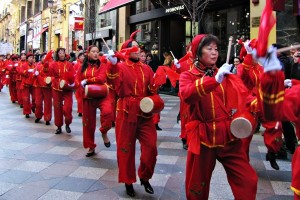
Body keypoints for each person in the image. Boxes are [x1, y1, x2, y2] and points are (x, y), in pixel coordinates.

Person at [179, 34, 258, 200]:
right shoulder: (188, 76)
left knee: (247, 179)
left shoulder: (224, 73)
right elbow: (187, 95)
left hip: (227, 135)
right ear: (198, 52)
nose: (214, 52)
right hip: (203, 137)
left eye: (216, 49)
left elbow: (244, 92)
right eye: (209, 49)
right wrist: (214, 80)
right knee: (197, 186)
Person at [106, 30, 159, 197]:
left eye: (139, 47)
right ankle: (128, 180)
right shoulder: (121, 67)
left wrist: (158, 82)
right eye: (135, 47)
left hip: (144, 113)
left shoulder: (147, 69)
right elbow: (113, 83)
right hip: (126, 111)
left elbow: (152, 90)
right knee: (125, 149)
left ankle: (144, 176)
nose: (139, 49)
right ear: (127, 50)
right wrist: (112, 65)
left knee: (151, 148)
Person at [257, 45, 300, 200]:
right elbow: (274, 109)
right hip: (253, 104)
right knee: (275, 126)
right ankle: (273, 152)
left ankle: (274, 151)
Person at [75, 45, 113, 157]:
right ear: (88, 53)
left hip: (102, 94)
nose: (96, 53)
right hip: (88, 96)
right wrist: (81, 87)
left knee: (108, 113)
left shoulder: (102, 65)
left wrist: (87, 80)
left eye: (97, 51)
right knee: (88, 123)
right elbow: (77, 80)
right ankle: (90, 146)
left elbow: (102, 78)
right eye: (93, 51)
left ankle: (104, 132)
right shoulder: (82, 67)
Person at [50, 48, 76, 134]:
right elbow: (50, 75)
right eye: (60, 53)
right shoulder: (53, 64)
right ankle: (58, 126)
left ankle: (68, 123)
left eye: (63, 53)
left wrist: (71, 83)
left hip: (67, 89)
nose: (61, 54)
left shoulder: (69, 64)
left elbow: (72, 76)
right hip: (56, 88)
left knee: (68, 108)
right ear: (57, 54)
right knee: (57, 108)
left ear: (65, 54)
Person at [33, 53, 53, 125]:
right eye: (43, 57)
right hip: (38, 86)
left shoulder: (51, 65)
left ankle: (47, 118)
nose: (44, 59)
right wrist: (35, 74)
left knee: (48, 103)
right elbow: (34, 75)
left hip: (47, 87)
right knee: (38, 102)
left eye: (46, 57)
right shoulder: (37, 65)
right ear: (41, 58)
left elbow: (52, 74)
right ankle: (38, 115)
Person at [20, 53, 36, 118]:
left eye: (32, 57)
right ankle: (27, 112)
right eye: (30, 57)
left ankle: (33, 106)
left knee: (35, 98)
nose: (31, 59)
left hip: (33, 84)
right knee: (26, 99)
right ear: (27, 59)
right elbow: (21, 72)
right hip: (26, 84)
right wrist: (27, 71)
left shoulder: (35, 65)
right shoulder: (24, 65)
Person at [74, 52, 85, 117]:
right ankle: (80, 111)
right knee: (79, 98)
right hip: (79, 82)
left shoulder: (86, 64)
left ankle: (84, 110)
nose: (82, 57)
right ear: (79, 57)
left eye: (83, 56)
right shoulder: (76, 64)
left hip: (85, 82)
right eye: (81, 56)